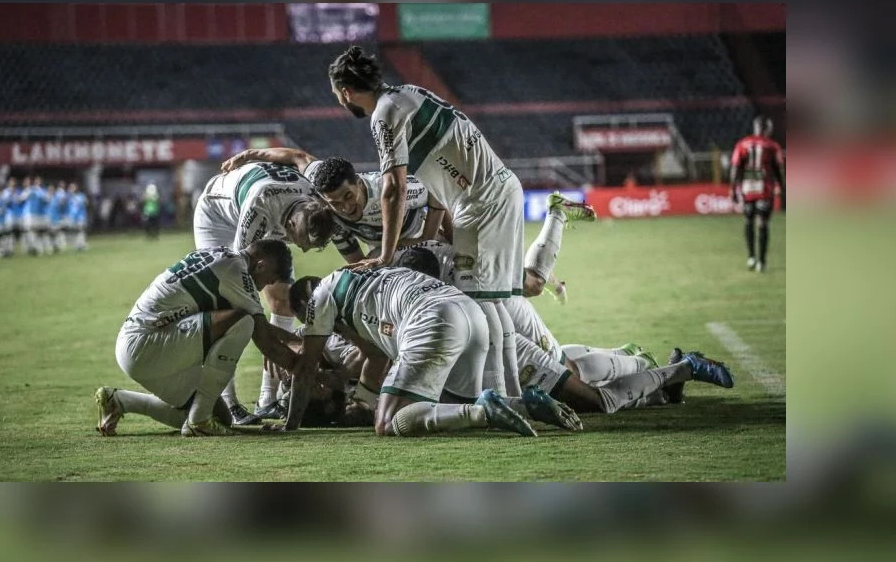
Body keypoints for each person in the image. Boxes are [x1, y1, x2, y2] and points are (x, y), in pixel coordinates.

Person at [328, 45, 525, 398]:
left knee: (480, 302)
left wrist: (386, 254)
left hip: (480, 202)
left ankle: (503, 396)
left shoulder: (384, 115)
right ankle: (511, 393)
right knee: (493, 302)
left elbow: (393, 186)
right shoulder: (409, 93)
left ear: (346, 92)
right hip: (496, 189)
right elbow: (436, 170)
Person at [395, 247, 736, 415]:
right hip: (502, 347)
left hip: (511, 352)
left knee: (595, 399)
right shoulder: (435, 284)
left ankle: (683, 367)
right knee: (571, 373)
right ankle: (659, 384)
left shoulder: (443, 298)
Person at [285, 266, 584, 437]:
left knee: (388, 423)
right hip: (469, 312)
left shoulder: (319, 299)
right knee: (449, 403)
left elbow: (306, 366)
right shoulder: (361, 284)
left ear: (305, 309)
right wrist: (363, 399)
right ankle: (527, 405)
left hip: (430, 318)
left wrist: (290, 426)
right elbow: (375, 356)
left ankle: (484, 413)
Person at [93, 240, 301, 437]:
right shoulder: (235, 271)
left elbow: (264, 329)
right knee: (243, 322)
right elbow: (263, 336)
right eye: (269, 280)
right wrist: (307, 370)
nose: (265, 286)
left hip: (137, 344)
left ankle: (119, 401)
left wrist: (295, 339)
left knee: (220, 417)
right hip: (147, 345)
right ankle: (199, 422)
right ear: (261, 265)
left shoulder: (219, 255)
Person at [192, 160, 338, 423]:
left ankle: (267, 400)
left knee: (282, 298)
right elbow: (239, 274)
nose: (302, 250)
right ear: (291, 225)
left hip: (270, 210)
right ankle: (229, 403)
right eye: (300, 242)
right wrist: (273, 343)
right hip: (217, 217)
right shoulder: (260, 206)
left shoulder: (315, 202)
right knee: (228, 308)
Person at [220, 148, 447, 263]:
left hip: (419, 235)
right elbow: (299, 158)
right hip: (383, 250)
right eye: (335, 202)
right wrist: (248, 155)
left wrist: (425, 237)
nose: (345, 207)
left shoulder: (388, 191)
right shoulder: (328, 208)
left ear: (358, 183)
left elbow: (437, 190)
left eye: (349, 196)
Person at [730, 115, 786, 272]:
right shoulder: (772, 146)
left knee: (748, 220)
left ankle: (751, 257)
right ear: (767, 129)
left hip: (747, 187)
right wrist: (782, 186)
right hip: (764, 188)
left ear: (755, 128)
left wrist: (733, 188)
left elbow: (735, 167)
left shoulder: (742, 144)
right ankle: (761, 261)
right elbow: (778, 168)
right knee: (762, 223)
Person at [65, 183, 89, 251]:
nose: (72, 189)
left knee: (80, 230)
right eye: (71, 187)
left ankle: (82, 244)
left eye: (73, 187)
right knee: (74, 232)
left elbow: (86, 203)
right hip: (72, 217)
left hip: (80, 216)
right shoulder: (68, 196)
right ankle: (77, 245)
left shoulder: (81, 195)